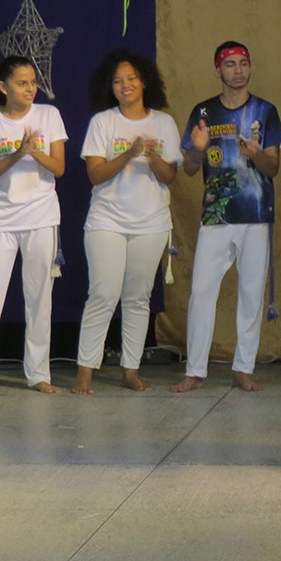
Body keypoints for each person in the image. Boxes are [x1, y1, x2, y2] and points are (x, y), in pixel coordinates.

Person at [171, 42, 281, 393]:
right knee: (202, 291)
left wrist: (256, 154)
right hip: (216, 215)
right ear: (218, 69)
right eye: (230, 64)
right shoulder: (204, 112)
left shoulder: (265, 111)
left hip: (256, 214)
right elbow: (190, 168)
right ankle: (195, 370)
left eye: (243, 63)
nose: (238, 70)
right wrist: (198, 150)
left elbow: (273, 167)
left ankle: (243, 368)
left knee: (251, 293)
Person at [72, 51, 181, 395]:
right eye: (118, 81)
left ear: (144, 81)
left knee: (138, 298)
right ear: (111, 87)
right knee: (103, 294)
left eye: (131, 79)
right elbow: (95, 174)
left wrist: (150, 154)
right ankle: (85, 371)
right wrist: (129, 153)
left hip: (151, 222)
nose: (125, 86)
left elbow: (170, 176)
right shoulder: (102, 122)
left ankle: (130, 370)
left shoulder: (163, 123)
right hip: (107, 220)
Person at [0, 57, 66, 394]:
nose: (30, 88)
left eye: (33, 82)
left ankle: (38, 374)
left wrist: (34, 152)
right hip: (0, 220)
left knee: (39, 299)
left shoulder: (48, 115)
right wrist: (17, 153)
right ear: (3, 87)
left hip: (41, 217)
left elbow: (59, 168)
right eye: (22, 83)